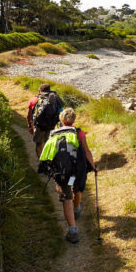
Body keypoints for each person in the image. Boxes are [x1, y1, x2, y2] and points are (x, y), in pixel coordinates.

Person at [41, 107, 97, 244]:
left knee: (66, 198)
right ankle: (77, 208)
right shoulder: (79, 133)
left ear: (61, 119)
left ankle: (73, 231)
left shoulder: (54, 134)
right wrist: (94, 167)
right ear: (74, 120)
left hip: (62, 173)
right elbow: (87, 152)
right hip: (76, 171)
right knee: (76, 188)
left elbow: (48, 155)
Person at [27, 83, 65, 158]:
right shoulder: (55, 98)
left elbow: (29, 115)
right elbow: (62, 112)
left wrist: (30, 125)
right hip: (51, 125)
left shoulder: (34, 100)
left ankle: (41, 161)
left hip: (39, 126)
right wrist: (62, 126)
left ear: (39, 91)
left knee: (39, 143)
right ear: (49, 90)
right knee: (49, 142)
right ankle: (49, 160)